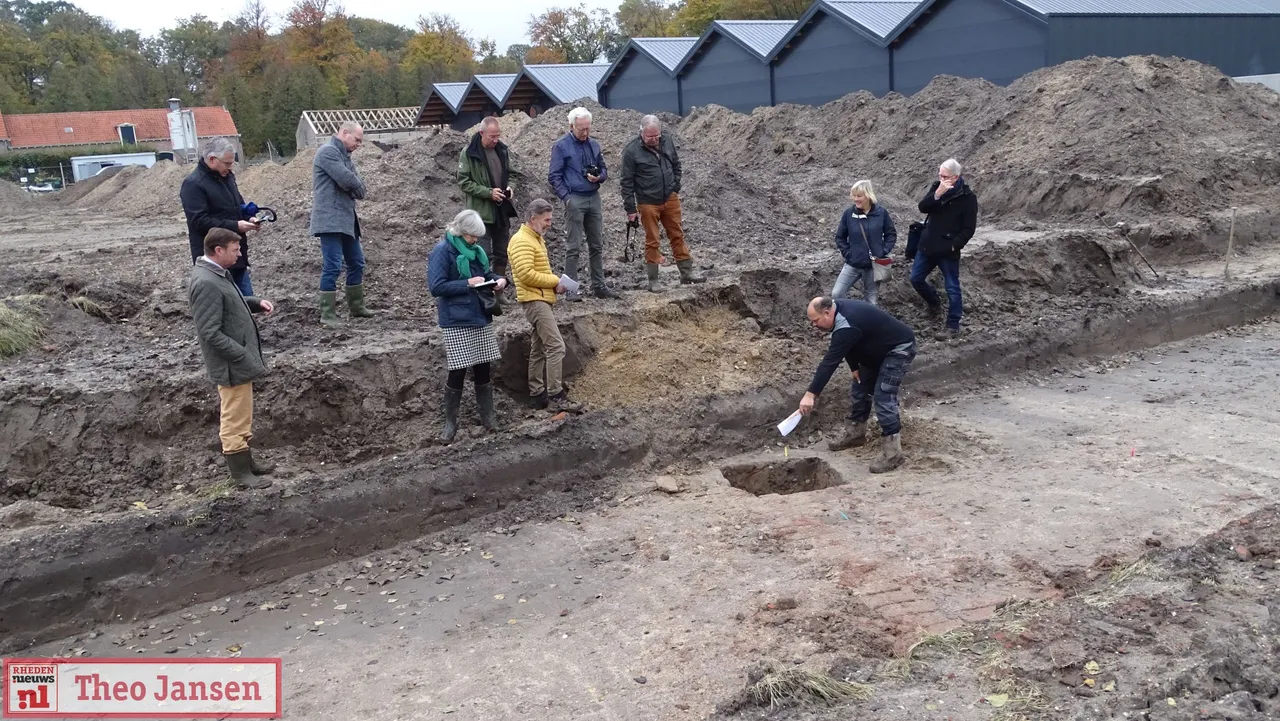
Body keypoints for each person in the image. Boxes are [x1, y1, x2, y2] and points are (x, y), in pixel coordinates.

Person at [188, 227, 276, 490]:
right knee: (234, 417)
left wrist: (254, 302)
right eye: (235, 250)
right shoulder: (205, 282)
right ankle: (240, 474)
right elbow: (209, 332)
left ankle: (246, 463)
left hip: (236, 362)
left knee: (242, 413)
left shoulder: (216, 274)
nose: (240, 254)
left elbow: (230, 303)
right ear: (218, 250)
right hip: (230, 365)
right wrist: (241, 354)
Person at [797, 296, 917, 474]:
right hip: (876, 349)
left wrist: (811, 394)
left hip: (898, 348)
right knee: (859, 387)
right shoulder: (839, 311)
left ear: (827, 312)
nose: (814, 325)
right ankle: (855, 434)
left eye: (815, 321)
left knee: (883, 395)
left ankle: (893, 454)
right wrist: (854, 366)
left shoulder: (847, 323)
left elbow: (830, 362)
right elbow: (849, 342)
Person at [428, 209, 509, 444]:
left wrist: (499, 279)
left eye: (477, 237)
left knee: (484, 367)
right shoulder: (442, 251)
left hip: (479, 315)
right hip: (456, 319)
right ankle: (450, 424)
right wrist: (467, 284)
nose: (476, 240)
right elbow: (437, 287)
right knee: (459, 370)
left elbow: (485, 274)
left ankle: (488, 418)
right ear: (460, 231)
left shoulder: (476, 252)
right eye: (472, 236)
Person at [508, 198, 583, 413]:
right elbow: (525, 274)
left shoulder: (534, 238)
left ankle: (537, 393)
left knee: (539, 348)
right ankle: (555, 395)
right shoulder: (523, 240)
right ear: (533, 219)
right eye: (546, 219)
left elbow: (533, 272)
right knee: (555, 346)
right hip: (534, 300)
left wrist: (554, 285)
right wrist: (555, 281)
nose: (550, 223)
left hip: (539, 297)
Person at [620, 114, 705, 292]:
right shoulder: (631, 151)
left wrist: (676, 186)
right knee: (653, 240)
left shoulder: (667, 141)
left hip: (669, 197)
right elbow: (626, 182)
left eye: (656, 135)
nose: (653, 139)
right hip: (647, 202)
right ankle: (653, 281)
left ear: (660, 132)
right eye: (649, 136)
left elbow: (676, 164)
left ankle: (687, 273)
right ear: (641, 132)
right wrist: (631, 209)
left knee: (677, 234)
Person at [548, 106, 619, 301]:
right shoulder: (561, 146)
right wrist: (566, 198)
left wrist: (599, 177)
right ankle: (571, 290)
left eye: (588, 128)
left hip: (593, 197)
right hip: (575, 198)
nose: (585, 133)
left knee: (596, 244)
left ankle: (599, 285)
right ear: (571, 126)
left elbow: (604, 169)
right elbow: (554, 176)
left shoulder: (594, 144)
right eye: (581, 129)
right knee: (574, 246)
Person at [310, 121, 373, 328]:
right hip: (329, 220)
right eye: (357, 139)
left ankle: (357, 307)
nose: (359, 144)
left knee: (357, 262)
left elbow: (361, 189)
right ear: (344, 133)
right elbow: (348, 181)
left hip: (346, 220)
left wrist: (353, 183)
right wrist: (352, 183)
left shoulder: (344, 156)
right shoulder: (327, 153)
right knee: (333, 266)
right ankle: (327, 315)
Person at [180, 137, 259, 296]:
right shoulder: (193, 184)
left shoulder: (227, 177)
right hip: (213, 260)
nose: (230, 168)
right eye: (227, 163)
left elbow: (237, 204)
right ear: (211, 159)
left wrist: (249, 217)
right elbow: (199, 222)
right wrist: (236, 226)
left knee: (247, 304)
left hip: (236, 255)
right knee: (222, 306)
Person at [908, 158, 978, 338]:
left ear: (956, 177)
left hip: (948, 251)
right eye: (940, 175)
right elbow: (923, 207)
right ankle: (934, 304)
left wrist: (955, 245)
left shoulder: (968, 198)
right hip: (927, 246)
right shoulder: (937, 187)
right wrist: (937, 195)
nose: (941, 178)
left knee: (952, 288)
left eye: (945, 176)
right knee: (916, 279)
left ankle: (952, 325)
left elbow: (969, 228)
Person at [457, 116, 518, 299]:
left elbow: (514, 174)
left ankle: (499, 293)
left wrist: (510, 188)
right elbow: (463, 181)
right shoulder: (469, 153)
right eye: (492, 136)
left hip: (501, 211)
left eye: (498, 136)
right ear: (481, 133)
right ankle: (483, 293)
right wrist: (487, 192)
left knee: (501, 252)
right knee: (482, 254)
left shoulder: (502, 151)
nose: (495, 140)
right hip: (480, 213)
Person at [833, 180, 896, 306]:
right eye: (854, 196)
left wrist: (882, 251)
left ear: (868, 195)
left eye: (859, 196)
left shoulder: (881, 213)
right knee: (837, 294)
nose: (855, 199)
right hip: (853, 263)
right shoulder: (849, 214)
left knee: (871, 302)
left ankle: (866, 324)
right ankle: (847, 317)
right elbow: (840, 237)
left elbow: (891, 234)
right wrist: (848, 254)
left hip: (873, 266)